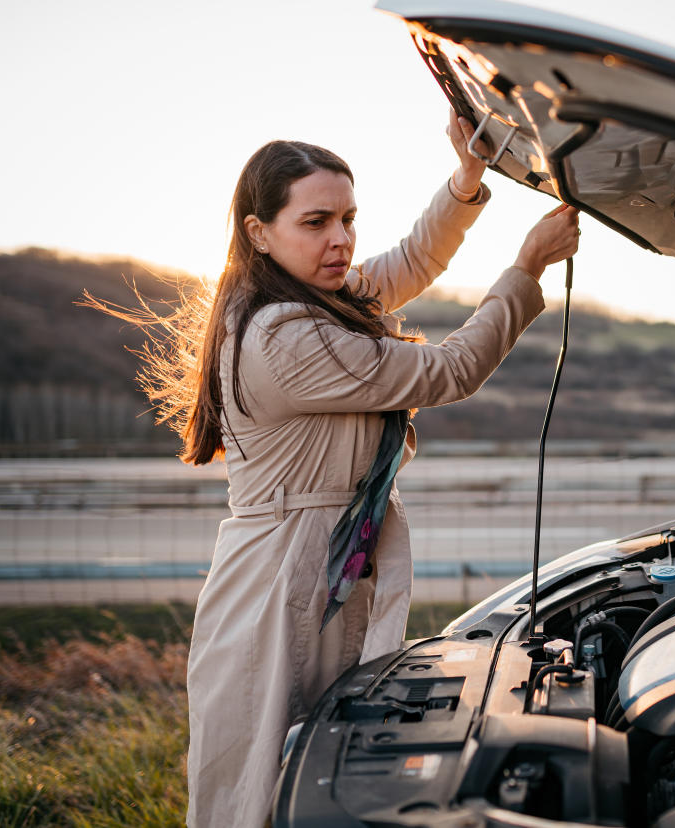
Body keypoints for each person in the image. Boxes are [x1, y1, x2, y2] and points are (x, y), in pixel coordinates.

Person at [165, 114, 579, 827]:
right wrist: (526, 269)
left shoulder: (306, 300)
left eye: (349, 219)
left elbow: (410, 265)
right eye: (317, 221)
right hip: (281, 583)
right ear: (259, 230)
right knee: (263, 781)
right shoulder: (285, 336)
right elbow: (449, 369)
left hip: (315, 564)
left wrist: (466, 180)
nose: (340, 240)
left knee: (320, 765)